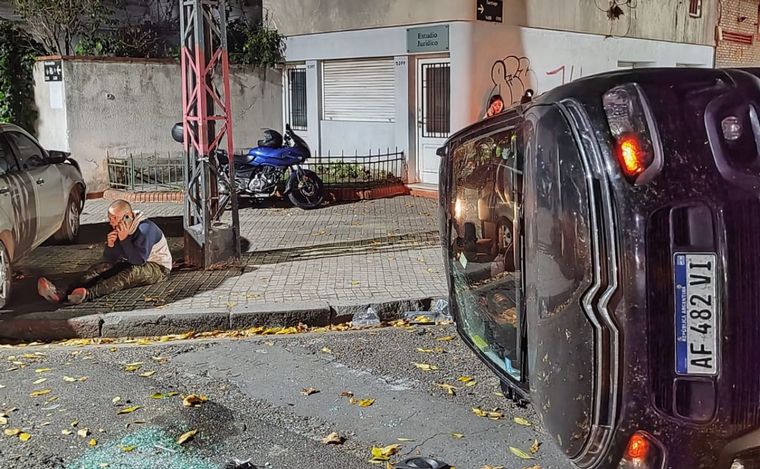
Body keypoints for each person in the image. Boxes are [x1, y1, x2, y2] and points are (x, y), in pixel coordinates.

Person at [37, 200, 172, 304]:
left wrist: (124, 239)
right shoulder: (120, 227)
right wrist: (111, 245)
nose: (111, 222)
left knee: (129, 273)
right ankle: (60, 292)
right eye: (110, 218)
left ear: (127, 217)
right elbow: (110, 259)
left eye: (114, 218)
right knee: (102, 268)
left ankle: (88, 294)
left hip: (158, 268)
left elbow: (138, 260)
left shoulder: (146, 229)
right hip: (132, 260)